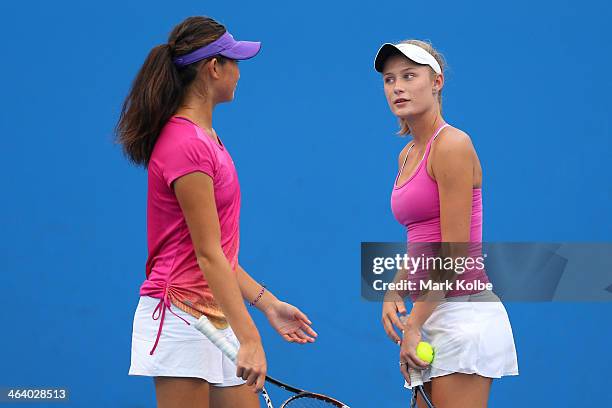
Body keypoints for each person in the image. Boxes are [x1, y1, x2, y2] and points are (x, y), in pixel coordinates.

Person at [116, 16, 317, 408]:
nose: (239, 74)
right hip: (179, 316)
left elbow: (217, 254)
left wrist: (269, 304)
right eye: (235, 62)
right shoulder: (185, 144)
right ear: (214, 67)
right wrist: (251, 338)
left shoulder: (206, 140)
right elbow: (208, 255)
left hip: (216, 317)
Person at [374, 40, 519, 407]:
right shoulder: (407, 153)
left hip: (464, 315)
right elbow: (422, 238)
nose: (398, 87)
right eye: (390, 80)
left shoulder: (453, 145)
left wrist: (413, 324)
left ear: (436, 82)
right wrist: (396, 288)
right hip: (433, 312)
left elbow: (453, 253)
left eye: (409, 76)